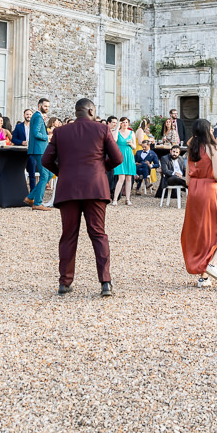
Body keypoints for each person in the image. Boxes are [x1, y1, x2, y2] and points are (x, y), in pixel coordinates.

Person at [42, 98, 123, 297]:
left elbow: (46, 160)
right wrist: (101, 168)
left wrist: (62, 172)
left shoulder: (60, 132)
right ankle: (105, 282)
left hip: (68, 188)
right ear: (90, 110)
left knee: (68, 235)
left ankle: (65, 282)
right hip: (95, 187)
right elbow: (118, 158)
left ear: (77, 112)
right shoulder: (102, 129)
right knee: (98, 234)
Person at [181, 119, 217, 288]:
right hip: (209, 188)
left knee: (202, 232)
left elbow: (186, 179)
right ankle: (213, 264)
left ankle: (203, 278)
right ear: (208, 130)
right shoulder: (213, 148)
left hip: (194, 190)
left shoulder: (191, 149)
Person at [20, 99, 52, 210]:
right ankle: (37, 203)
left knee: (49, 175)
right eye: (45, 106)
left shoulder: (38, 116)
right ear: (39, 105)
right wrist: (47, 137)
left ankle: (31, 197)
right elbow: (35, 133)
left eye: (48, 106)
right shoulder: (38, 117)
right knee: (45, 176)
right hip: (39, 150)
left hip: (40, 149)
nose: (47, 108)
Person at [111, 117, 138, 205]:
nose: (125, 124)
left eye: (126, 122)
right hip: (120, 155)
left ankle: (127, 199)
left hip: (129, 156)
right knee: (121, 178)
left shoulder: (131, 133)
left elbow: (135, 147)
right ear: (121, 123)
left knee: (129, 178)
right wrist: (117, 127)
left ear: (128, 123)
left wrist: (131, 144)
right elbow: (114, 140)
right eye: (123, 122)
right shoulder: (117, 132)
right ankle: (115, 199)